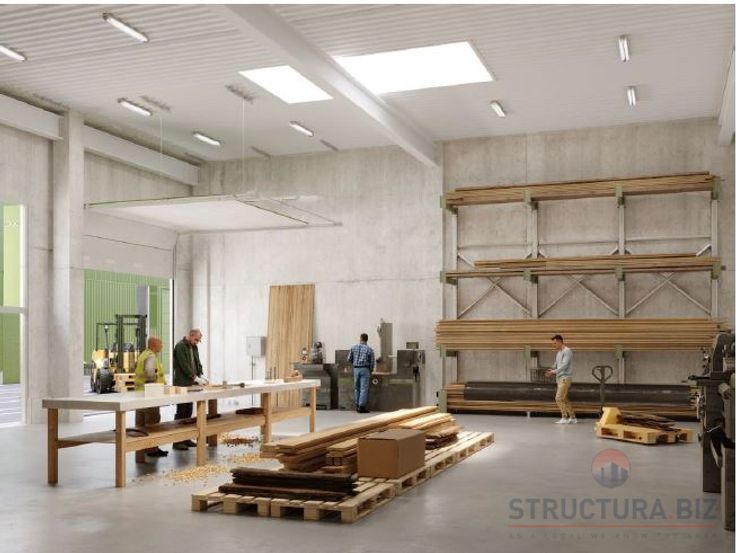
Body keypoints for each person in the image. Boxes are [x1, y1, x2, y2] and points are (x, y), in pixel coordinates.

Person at [172, 328, 209, 450]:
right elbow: (184, 365)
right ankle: (177, 441)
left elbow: (197, 362)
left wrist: (200, 375)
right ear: (190, 335)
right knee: (181, 411)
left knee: (189, 410)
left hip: (191, 384)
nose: (197, 342)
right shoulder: (180, 347)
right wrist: (195, 377)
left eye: (198, 340)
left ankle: (186, 438)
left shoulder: (194, 347)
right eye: (196, 339)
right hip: (182, 383)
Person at [134, 337, 168, 458]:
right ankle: (152, 449)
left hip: (139, 393)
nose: (162, 346)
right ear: (154, 345)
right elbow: (149, 373)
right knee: (153, 422)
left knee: (140, 424)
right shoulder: (151, 356)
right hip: (150, 394)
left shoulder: (143, 355)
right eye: (160, 344)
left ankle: (141, 449)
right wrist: (156, 384)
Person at [545, 334, 577, 424]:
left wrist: (553, 372)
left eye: (555, 343)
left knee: (558, 398)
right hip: (559, 378)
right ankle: (573, 418)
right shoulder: (559, 352)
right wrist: (551, 369)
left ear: (560, 341)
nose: (553, 345)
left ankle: (564, 417)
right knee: (564, 399)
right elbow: (556, 363)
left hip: (565, 378)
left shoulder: (567, 351)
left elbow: (564, 365)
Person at [347, 333, 375, 414]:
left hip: (356, 369)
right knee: (363, 389)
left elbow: (348, 359)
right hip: (365, 369)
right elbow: (372, 362)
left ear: (360, 338)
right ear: (367, 339)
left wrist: (355, 363)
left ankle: (357, 405)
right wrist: (371, 370)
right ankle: (361, 407)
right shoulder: (369, 349)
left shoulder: (353, 347)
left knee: (357, 388)